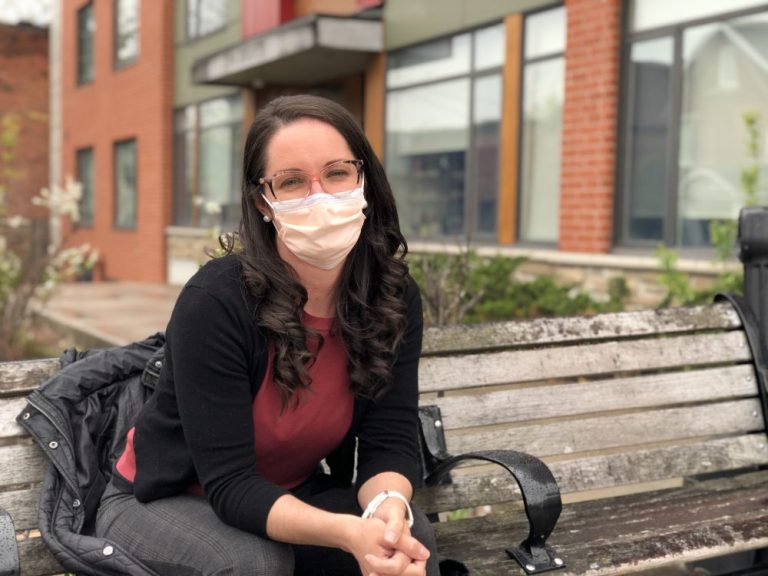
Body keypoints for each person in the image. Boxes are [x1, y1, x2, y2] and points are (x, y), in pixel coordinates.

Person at [95, 94, 440, 576]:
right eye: (292, 182)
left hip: (287, 493)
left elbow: (389, 437)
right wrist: (346, 533)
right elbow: (231, 484)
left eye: (338, 173)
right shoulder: (215, 302)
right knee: (258, 562)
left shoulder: (393, 296)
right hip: (158, 503)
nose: (320, 196)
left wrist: (387, 510)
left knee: (409, 537)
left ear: (363, 180)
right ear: (263, 201)